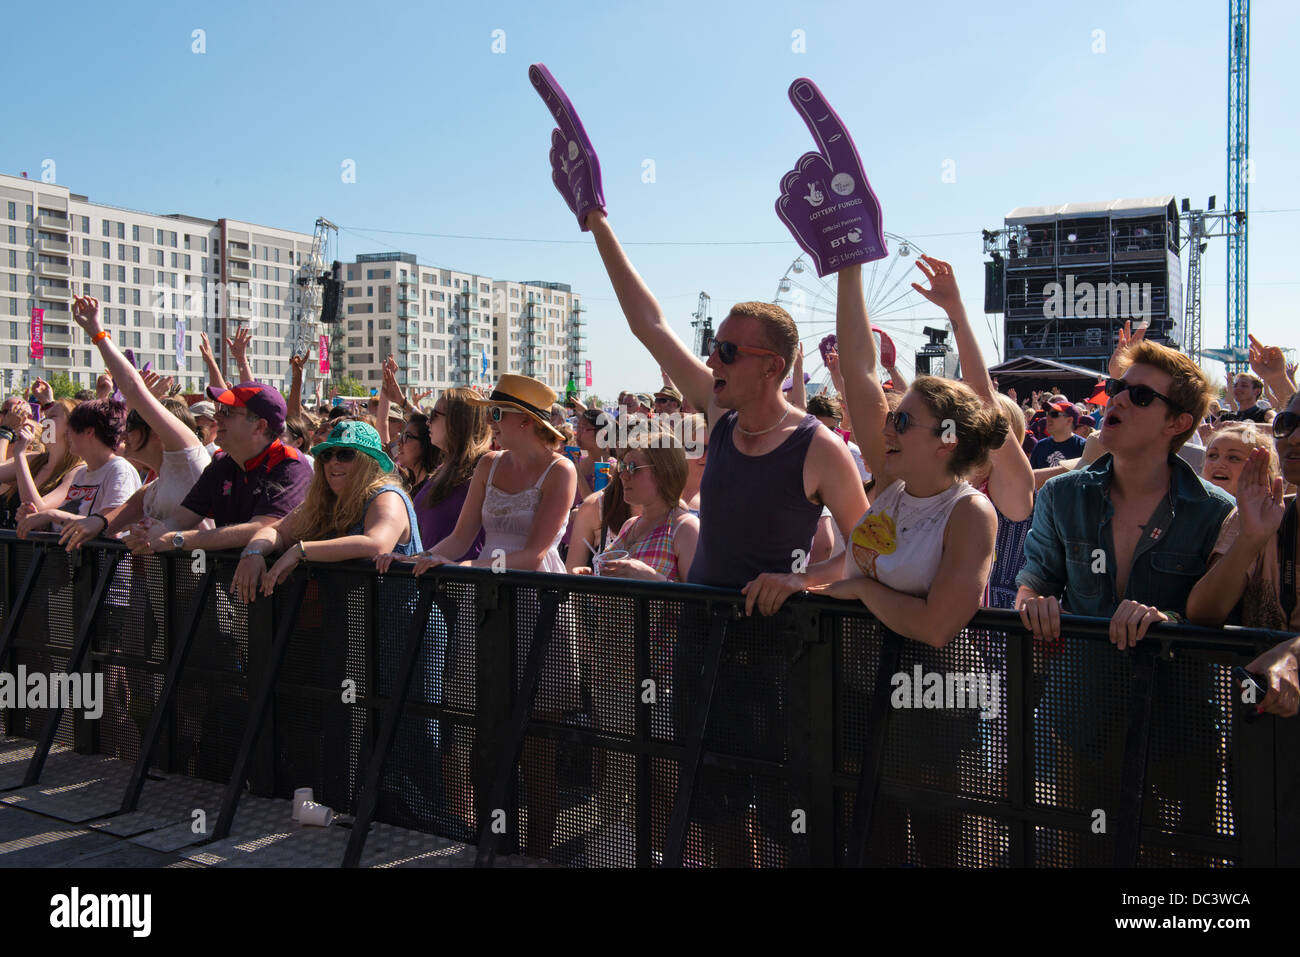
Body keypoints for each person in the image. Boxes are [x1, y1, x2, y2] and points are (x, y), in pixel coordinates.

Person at [1016, 338, 1234, 839]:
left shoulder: (1215, 510)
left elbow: (1225, 618)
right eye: (1117, 387)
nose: (1115, 400)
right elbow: (1034, 581)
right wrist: (1034, 606)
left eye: (1139, 396)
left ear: (1178, 423)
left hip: (1178, 724)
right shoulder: (1061, 494)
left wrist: (1169, 624)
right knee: (1084, 848)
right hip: (1080, 719)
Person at [58, 293, 212, 548]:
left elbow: (133, 390)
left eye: (130, 427)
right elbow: (109, 521)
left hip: (199, 576)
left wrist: (98, 333)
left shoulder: (187, 460)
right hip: (159, 588)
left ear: (158, 432)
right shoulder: (153, 489)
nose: (122, 435)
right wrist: (94, 523)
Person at [231, 421, 421, 600]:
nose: (333, 462)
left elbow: (377, 545)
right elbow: (275, 530)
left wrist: (301, 551)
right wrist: (253, 552)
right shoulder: (325, 500)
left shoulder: (388, 496)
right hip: (348, 627)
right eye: (327, 455)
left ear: (368, 462)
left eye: (345, 454)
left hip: (406, 627)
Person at [124, 381, 314, 556]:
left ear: (259, 426)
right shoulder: (222, 462)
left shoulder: (289, 464)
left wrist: (176, 539)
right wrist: (150, 531)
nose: (217, 416)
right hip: (236, 583)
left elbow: (262, 528)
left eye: (229, 412)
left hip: (285, 586)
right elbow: (181, 519)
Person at [13, 397, 141, 544]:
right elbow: (68, 523)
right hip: (76, 564)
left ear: (89, 432)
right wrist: (38, 520)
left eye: (72, 428)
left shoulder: (119, 470)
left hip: (104, 566)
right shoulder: (81, 474)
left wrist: (52, 515)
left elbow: (112, 527)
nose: (68, 434)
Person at [399, 389, 490, 563]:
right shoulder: (443, 469)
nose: (427, 423)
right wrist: (411, 560)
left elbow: (461, 540)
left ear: (457, 421)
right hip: (433, 575)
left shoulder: (482, 468)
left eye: (433, 415)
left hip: (464, 580)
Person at [1029, 401, 1086, 474]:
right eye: (1047, 413)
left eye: (1054, 414)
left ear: (1069, 420)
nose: (1048, 417)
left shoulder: (1084, 447)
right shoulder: (1040, 446)